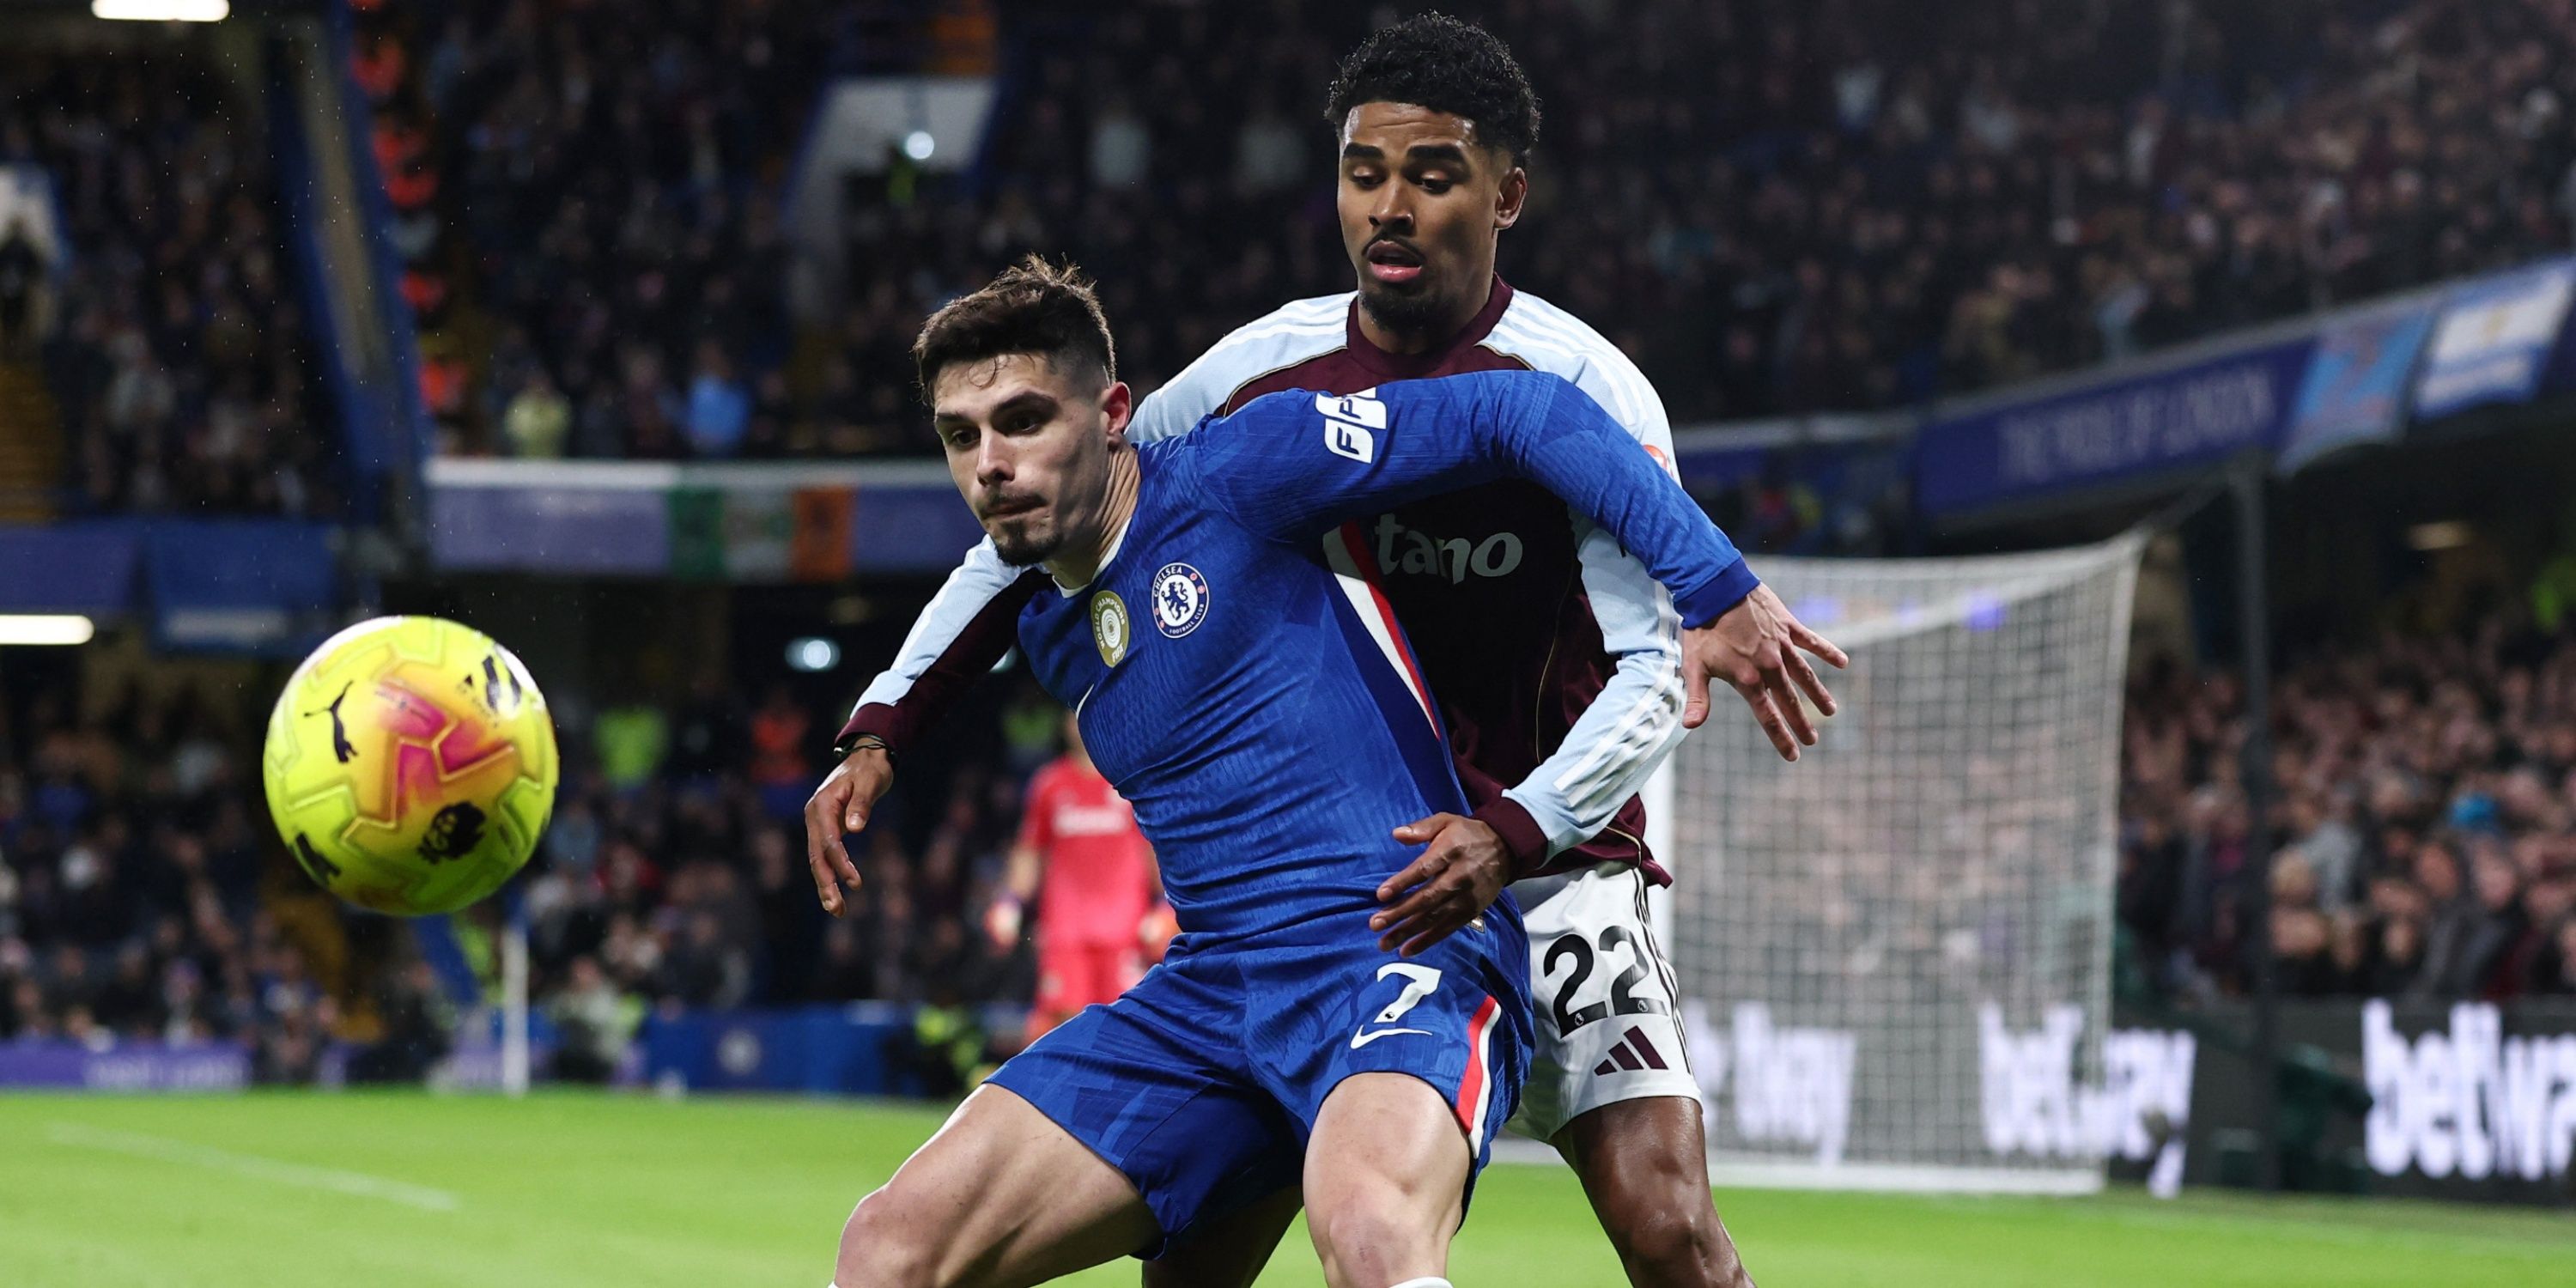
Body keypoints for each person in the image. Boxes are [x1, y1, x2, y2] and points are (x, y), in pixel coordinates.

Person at [805, 15, 1845, 1286]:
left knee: (1664, 1225)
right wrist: (881, 727)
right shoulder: (1261, 378)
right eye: (1365, 176)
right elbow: (1049, 509)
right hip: (1305, 892)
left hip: (1544, 856)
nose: (1391, 208)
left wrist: (1708, 596)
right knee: (1190, 1265)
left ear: (1505, 194)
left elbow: (1648, 681)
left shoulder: (1586, 388)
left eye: (1432, 175)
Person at [991, 712, 1166, 1038]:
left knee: (1126, 1027)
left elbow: (1152, 850)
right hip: (1065, 932)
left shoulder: (1130, 780)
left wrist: (1164, 904)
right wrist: (1010, 901)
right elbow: (1030, 851)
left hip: (1125, 932)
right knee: (1058, 1027)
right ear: (1065, 726)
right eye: (1073, 715)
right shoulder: (1049, 784)